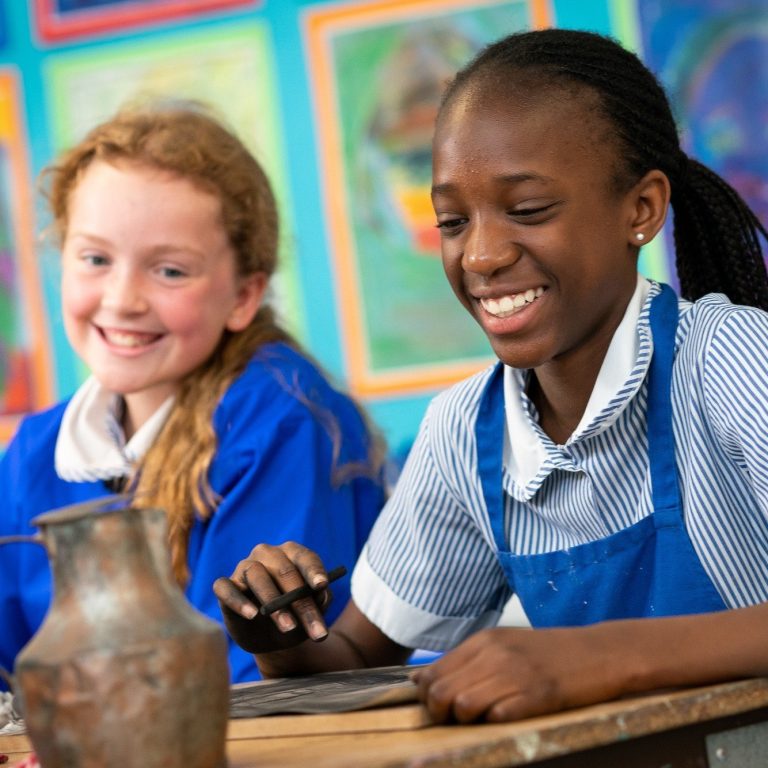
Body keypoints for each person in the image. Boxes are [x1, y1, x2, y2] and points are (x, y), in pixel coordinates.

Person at [214, 27, 768, 722]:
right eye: (452, 221)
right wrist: (280, 635)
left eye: (528, 210)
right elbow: (356, 658)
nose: (479, 255)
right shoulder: (466, 434)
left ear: (641, 209)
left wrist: (600, 658)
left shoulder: (731, 359)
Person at [0, 102, 387, 685]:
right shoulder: (37, 451)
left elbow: (254, 687)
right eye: (95, 259)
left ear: (243, 295)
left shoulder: (281, 420)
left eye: (170, 271)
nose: (123, 298)